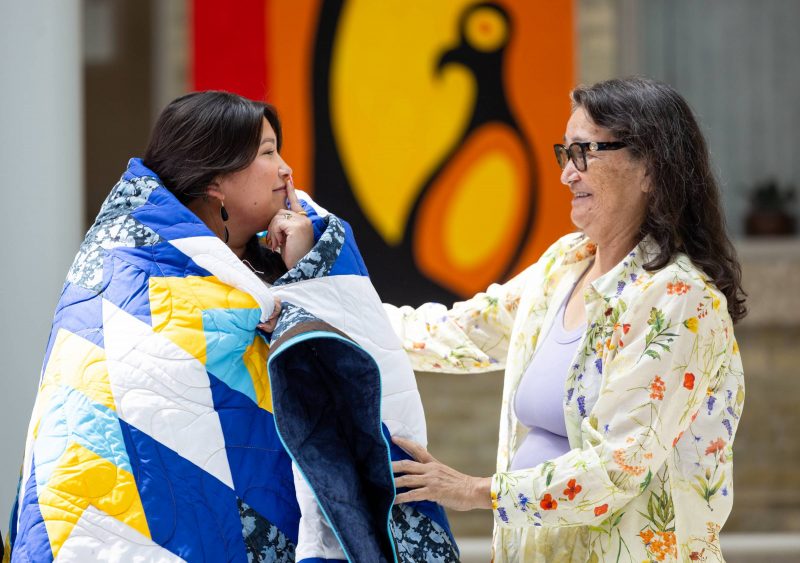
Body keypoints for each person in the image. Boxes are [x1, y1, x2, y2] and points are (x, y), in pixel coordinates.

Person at [7, 91, 458, 562]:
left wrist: (309, 270)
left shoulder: (276, 264)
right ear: (216, 179)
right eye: (267, 153)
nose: (286, 169)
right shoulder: (127, 275)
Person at [385, 77, 746, 562]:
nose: (566, 175)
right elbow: (458, 334)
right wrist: (325, 308)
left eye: (585, 153)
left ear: (651, 168)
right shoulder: (564, 265)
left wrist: (475, 491)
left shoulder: (679, 299)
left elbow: (619, 465)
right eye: (565, 153)